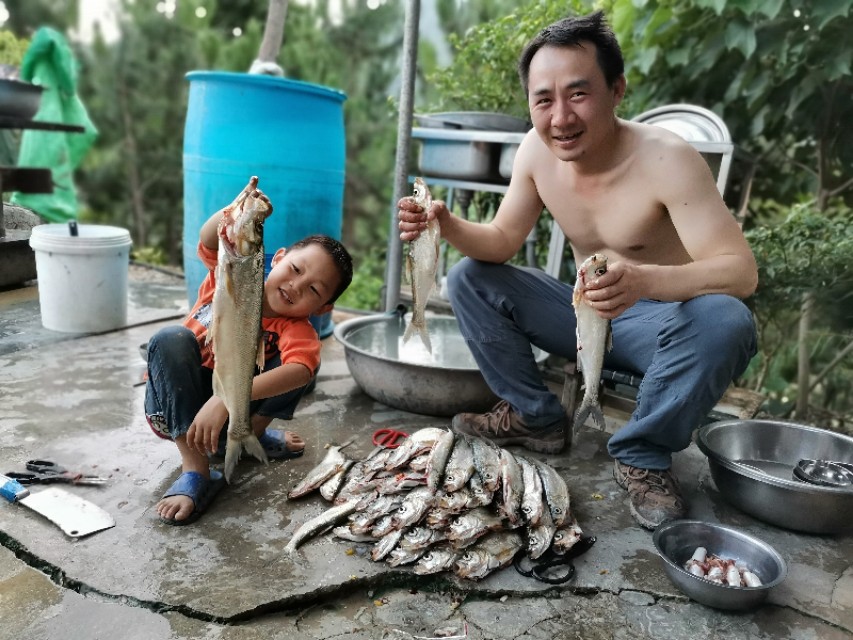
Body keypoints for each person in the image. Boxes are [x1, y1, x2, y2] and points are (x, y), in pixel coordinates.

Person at [397, 10, 757, 530]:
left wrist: (643, 279)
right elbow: (499, 242)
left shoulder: (668, 159)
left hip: (669, 330)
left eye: (578, 94)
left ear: (617, 90)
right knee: (472, 278)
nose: (560, 117)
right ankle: (535, 418)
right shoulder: (535, 153)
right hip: (587, 316)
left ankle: (642, 457)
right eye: (544, 99)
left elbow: (740, 272)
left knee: (728, 319)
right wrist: (446, 222)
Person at [145, 186, 353, 526]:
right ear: (279, 256)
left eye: (314, 289)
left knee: (299, 367)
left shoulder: (297, 327)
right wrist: (239, 209)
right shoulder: (229, 273)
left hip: (229, 408)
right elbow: (210, 238)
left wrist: (228, 396)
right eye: (297, 270)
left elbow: (301, 371)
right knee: (171, 339)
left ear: (324, 307)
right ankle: (196, 470)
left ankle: (246, 436)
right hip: (178, 406)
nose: (296, 286)